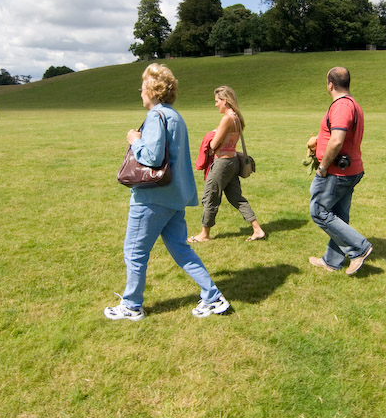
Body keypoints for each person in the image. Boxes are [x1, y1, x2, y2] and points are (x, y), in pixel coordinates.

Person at [104, 63, 230, 321]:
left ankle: (131, 305)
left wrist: (134, 140)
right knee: (181, 250)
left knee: (134, 252)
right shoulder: (174, 116)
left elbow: (151, 156)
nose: (140, 92)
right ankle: (213, 296)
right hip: (174, 198)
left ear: (152, 89)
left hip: (152, 198)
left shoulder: (156, 117)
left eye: (142, 87)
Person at [308, 66, 373, 275]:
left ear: (330, 84)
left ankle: (359, 248)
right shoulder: (352, 104)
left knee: (318, 211)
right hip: (350, 169)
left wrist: (323, 168)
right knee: (339, 215)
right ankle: (332, 261)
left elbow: (337, 141)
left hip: (337, 173)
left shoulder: (342, 106)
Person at [188, 86, 266, 243]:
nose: (216, 104)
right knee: (236, 197)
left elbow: (213, 144)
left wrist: (211, 140)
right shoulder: (236, 118)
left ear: (225, 101)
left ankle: (205, 234)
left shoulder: (227, 119)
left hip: (222, 163)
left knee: (210, 196)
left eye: (217, 101)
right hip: (233, 162)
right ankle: (257, 229)